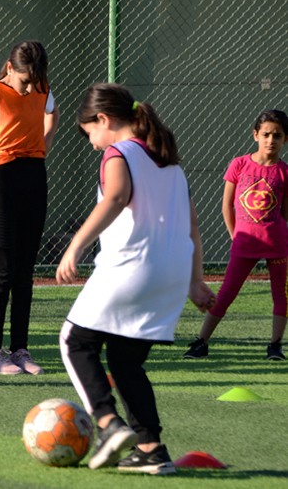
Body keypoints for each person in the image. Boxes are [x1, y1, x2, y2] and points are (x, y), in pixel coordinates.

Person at [55, 84, 216, 474]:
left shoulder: (118, 152)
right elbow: (193, 225)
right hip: (173, 274)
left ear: (104, 121)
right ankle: (151, 450)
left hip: (133, 267)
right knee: (126, 362)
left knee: (74, 341)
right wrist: (195, 282)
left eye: (89, 132)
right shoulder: (170, 163)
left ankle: (108, 425)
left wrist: (75, 245)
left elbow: (115, 197)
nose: (92, 144)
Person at [0, 40, 59, 375]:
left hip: (34, 177)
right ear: (10, 68)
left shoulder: (42, 88)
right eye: (25, 80)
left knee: (25, 271)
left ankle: (20, 349)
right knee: (2, 268)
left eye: (35, 81)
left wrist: (41, 148)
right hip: (2, 178)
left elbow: (52, 115)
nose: (30, 87)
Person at [184, 110, 288, 361]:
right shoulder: (239, 164)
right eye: (265, 134)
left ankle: (275, 346)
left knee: (281, 295)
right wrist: (235, 234)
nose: (270, 140)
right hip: (245, 243)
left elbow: (285, 213)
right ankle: (202, 342)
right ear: (255, 135)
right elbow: (226, 205)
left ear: (285, 140)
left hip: (277, 245)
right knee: (227, 293)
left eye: (277, 135)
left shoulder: (285, 172)